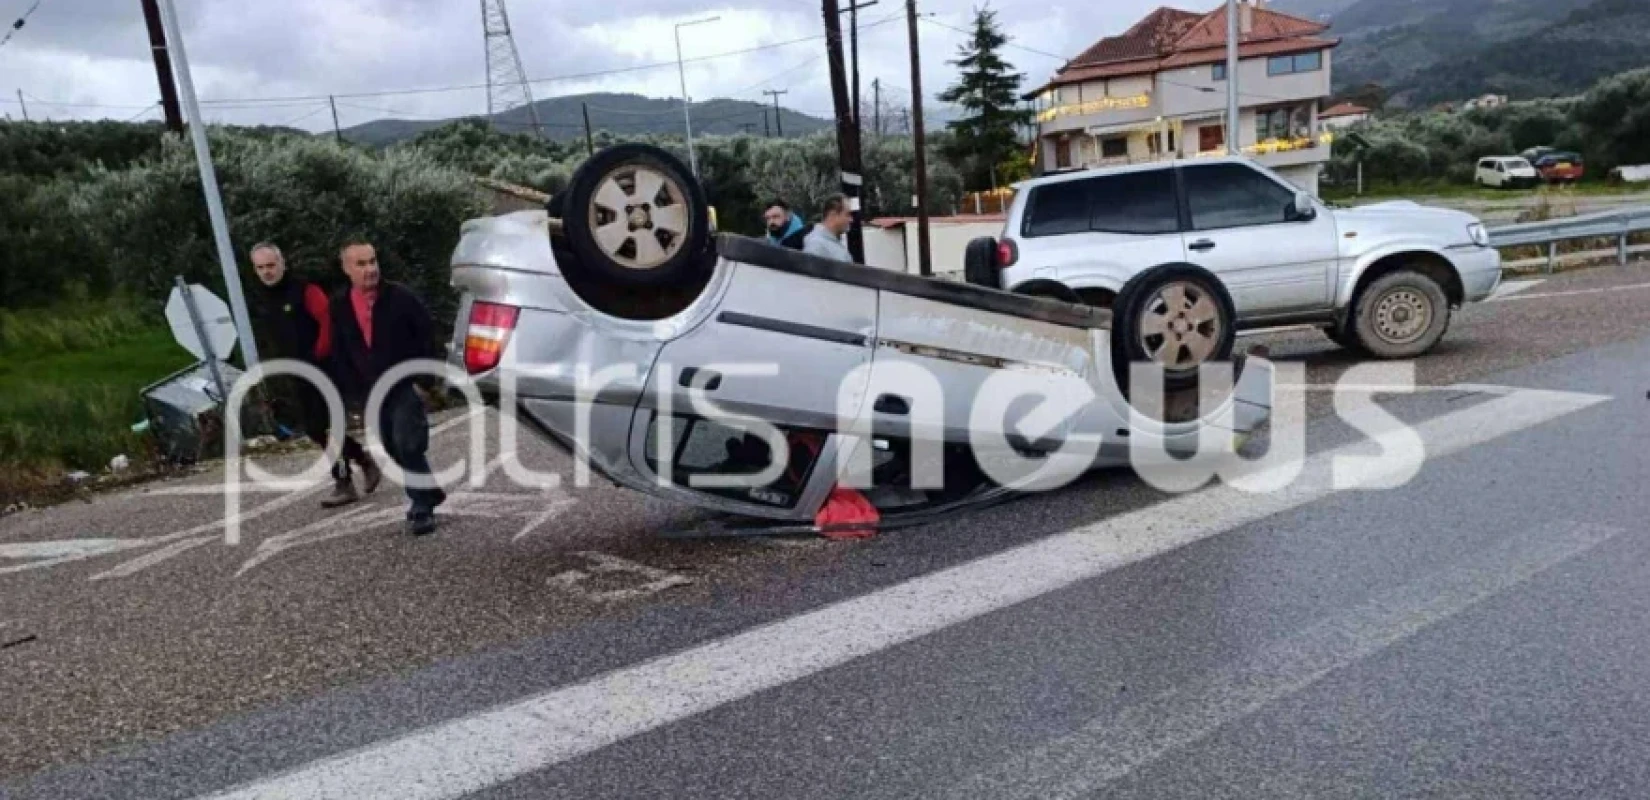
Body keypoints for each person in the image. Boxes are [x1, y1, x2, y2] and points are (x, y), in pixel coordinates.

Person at [328, 237, 447, 535]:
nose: (370, 269)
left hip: (405, 383)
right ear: (346, 268)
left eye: (372, 261)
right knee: (392, 447)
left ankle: (421, 506)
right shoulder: (339, 305)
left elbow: (426, 336)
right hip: (371, 390)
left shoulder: (401, 298)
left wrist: (425, 381)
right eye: (361, 263)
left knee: (409, 444)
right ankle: (430, 491)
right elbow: (340, 349)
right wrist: (351, 392)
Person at [248, 242, 379, 508]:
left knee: (326, 425)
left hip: (323, 368)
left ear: (282, 263)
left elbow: (327, 320)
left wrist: (320, 352)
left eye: (271, 265)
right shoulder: (261, 298)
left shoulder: (304, 290)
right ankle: (362, 460)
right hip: (296, 372)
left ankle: (344, 482)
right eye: (260, 267)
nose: (267, 272)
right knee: (315, 429)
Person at [802, 194, 855, 262]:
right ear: (833, 215)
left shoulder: (830, 242)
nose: (851, 220)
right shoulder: (816, 246)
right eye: (847, 214)